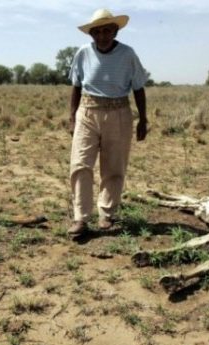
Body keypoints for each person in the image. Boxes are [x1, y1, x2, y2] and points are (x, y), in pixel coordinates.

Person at [67, 8, 148, 235]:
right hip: (88, 112)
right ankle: (81, 218)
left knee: (113, 166)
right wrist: (72, 117)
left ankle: (108, 214)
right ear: (91, 34)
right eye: (97, 32)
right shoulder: (83, 53)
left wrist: (143, 119)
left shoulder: (128, 54)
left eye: (107, 31)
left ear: (115, 31)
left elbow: (139, 88)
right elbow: (76, 85)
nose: (102, 36)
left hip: (119, 113)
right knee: (80, 164)